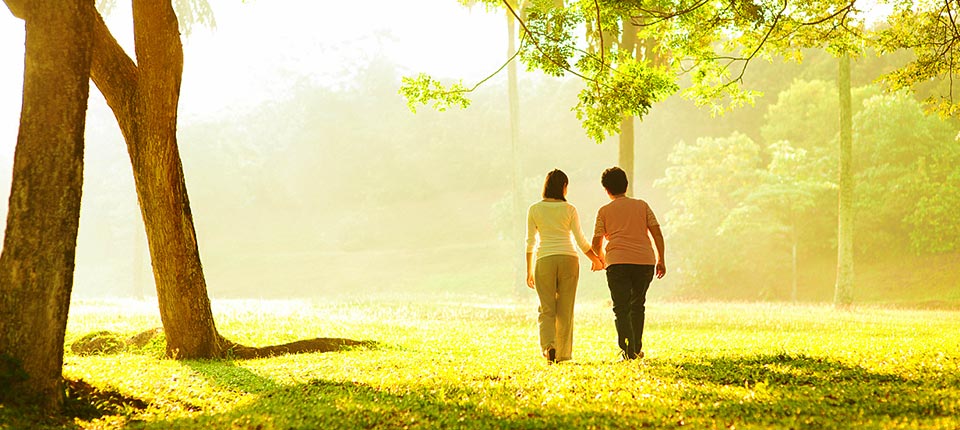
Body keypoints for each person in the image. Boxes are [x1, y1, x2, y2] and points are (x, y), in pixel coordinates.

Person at [526, 169, 604, 364]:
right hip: (569, 258)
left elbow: (530, 242)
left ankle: (548, 347)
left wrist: (529, 270)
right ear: (564, 187)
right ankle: (563, 354)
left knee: (546, 308)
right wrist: (595, 259)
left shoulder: (535, 209)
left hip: (544, 259)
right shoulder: (569, 209)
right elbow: (580, 240)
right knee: (565, 309)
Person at [591, 167, 666, 360]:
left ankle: (627, 350)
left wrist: (601, 260)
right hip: (644, 262)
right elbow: (656, 232)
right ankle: (636, 348)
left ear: (606, 190)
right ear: (626, 185)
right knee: (637, 305)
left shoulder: (604, 211)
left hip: (617, 263)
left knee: (621, 308)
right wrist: (661, 259)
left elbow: (596, 242)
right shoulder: (642, 205)